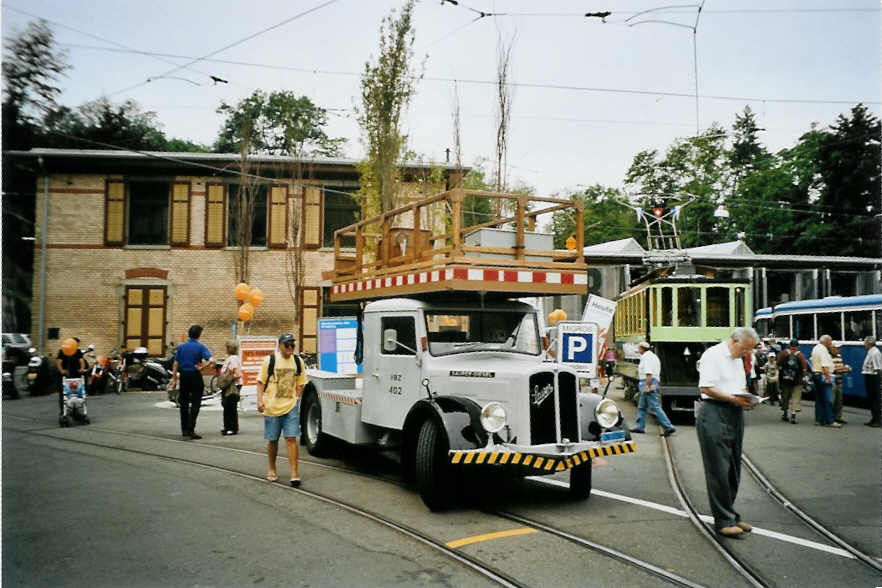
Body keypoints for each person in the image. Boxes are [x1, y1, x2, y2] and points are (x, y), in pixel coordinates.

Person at [696, 326, 759, 538]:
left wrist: (747, 398)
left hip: (734, 412)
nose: (747, 354)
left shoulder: (737, 359)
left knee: (733, 467)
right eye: (745, 349)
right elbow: (706, 388)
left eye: (750, 350)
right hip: (714, 412)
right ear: (734, 341)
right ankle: (723, 519)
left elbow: (737, 387)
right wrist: (734, 399)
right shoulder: (712, 355)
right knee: (718, 469)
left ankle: (730, 514)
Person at [257, 333, 308, 487]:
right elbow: (260, 382)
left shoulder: (298, 361)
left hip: (290, 406)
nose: (290, 348)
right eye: (287, 345)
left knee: (292, 439)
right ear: (280, 346)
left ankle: (294, 474)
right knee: (273, 439)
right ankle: (272, 469)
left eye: (293, 345)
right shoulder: (270, 361)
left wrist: (296, 397)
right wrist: (260, 400)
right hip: (272, 406)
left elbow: (301, 382)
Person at [171, 325, 213, 440]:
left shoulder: (181, 347)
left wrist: (174, 378)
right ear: (199, 335)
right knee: (196, 402)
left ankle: (184, 429)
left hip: (184, 375)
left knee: (183, 402)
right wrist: (202, 367)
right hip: (195, 375)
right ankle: (191, 429)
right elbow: (211, 360)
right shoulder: (201, 347)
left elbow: (175, 363)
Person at [629, 341, 675, 437]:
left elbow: (649, 374)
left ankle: (668, 426)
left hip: (648, 382)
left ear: (641, 349)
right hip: (649, 382)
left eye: (638, 348)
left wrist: (647, 386)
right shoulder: (653, 356)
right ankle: (640, 426)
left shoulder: (646, 358)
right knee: (642, 406)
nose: (638, 350)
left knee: (655, 406)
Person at [810, 335, 840, 428]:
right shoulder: (823, 350)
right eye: (830, 342)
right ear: (826, 342)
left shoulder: (816, 348)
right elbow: (825, 366)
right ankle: (830, 420)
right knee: (828, 399)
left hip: (816, 374)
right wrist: (828, 378)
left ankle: (819, 419)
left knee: (819, 399)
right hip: (823, 375)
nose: (831, 344)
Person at [777, 339, 808, 424]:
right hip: (797, 380)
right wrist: (803, 376)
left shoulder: (783, 353)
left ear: (789, 345)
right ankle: (793, 415)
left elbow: (778, 364)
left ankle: (785, 414)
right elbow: (804, 368)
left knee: (785, 396)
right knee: (795, 397)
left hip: (785, 379)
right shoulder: (800, 355)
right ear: (798, 346)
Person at [56, 337, 86, 413]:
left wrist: (82, 369)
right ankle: (64, 411)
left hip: (76, 374)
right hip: (65, 376)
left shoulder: (78, 351)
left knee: (77, 392)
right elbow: (59, 362)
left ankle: (77, 409)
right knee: (64, 393)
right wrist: (61, 370)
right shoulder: (62, 351)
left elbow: (81, 360)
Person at [220, 341, 243, 436]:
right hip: (233, 385)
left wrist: (229, 379)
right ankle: (228, 426)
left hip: (232, 386)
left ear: (229, 349)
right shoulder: (234, 358)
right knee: (229, 406)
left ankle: (231, 427)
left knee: (230, 407)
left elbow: (237, 374)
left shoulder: (232, 359)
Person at [861, 335, 882, 427]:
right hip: (869, 375)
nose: (864, 344)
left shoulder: (874, 353)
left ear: (869, 343)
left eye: (865, 343)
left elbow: (878, 367)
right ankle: (874, 418)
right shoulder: (871, 351)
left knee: (875, 399)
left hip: (873, 377)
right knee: (871, 399)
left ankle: (877, 420)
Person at [830, 341, 851, 424]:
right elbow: (832, 369)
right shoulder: (829, 357)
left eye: (839, 348)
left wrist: (844, 368)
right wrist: (843, 368)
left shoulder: (839, 356)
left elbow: (840, 367)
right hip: (833, 382)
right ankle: (830, 418)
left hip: (839, 382)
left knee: (839, 401)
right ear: (832, 348)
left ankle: (838, 417)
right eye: (837, 348)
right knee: (832, 401)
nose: (839, 350)